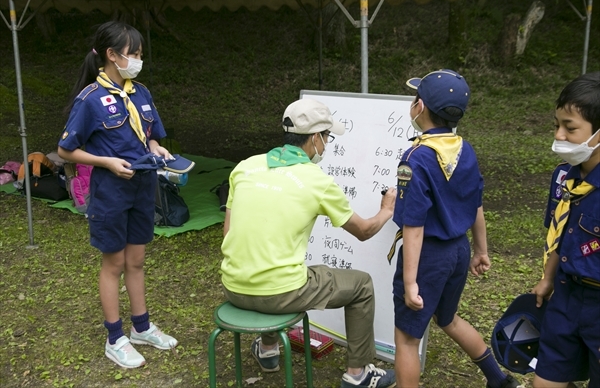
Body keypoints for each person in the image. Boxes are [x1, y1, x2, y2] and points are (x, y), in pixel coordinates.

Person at [220, 98, 398, 388]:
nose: (327, 145)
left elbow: (228, 235)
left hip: (233, 287)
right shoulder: (317, 180)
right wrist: (387, 210)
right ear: (315, 138)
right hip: (281, 293)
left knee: (274, 265)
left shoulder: (244, 167)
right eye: (327, 138)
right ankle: (358, 374)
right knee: (362, 284)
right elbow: (364, 231)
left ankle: (267, 350)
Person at [57, 21, 177, 368]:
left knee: (136, 260)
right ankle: (115, 337)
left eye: (139, 53)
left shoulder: (141, 92)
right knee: (114, 263)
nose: (138, 60)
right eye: (134, 54)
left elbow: (151, 135)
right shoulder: (91, 100)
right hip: (111, 191)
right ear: (112, 55)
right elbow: (66, 150)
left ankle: (141, 327)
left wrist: (158, 148)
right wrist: (106, 162)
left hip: (142, 186)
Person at [391, 69, 521, 388]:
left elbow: (414, 225)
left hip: (429, 258)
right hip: (459, 251)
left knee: (407, 340)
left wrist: (410, 282)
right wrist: (481, 250)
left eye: (414, 98)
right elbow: (476, 205)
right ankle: (498, 379)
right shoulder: (465, 150)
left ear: (419, 107)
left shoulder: (416, 158)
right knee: (447, 319)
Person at [531, 72, 600, 388]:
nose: (559, 135)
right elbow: (557, 235)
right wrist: (547, 279)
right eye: (557, 125)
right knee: (545, 382)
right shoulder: (563, 179)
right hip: (566, 295)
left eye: (570, 128)